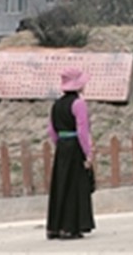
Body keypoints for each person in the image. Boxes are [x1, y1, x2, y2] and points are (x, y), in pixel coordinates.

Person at [46, 68, 95, 240]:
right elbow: (83, 131)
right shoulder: (79, 104)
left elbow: (51, 130)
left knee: (61, 185)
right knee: (75, 186)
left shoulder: (56, 105)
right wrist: (88, 153)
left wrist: (60, 145)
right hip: (75, 146)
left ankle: (55, 227)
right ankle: (70, 227)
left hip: (62, 146)